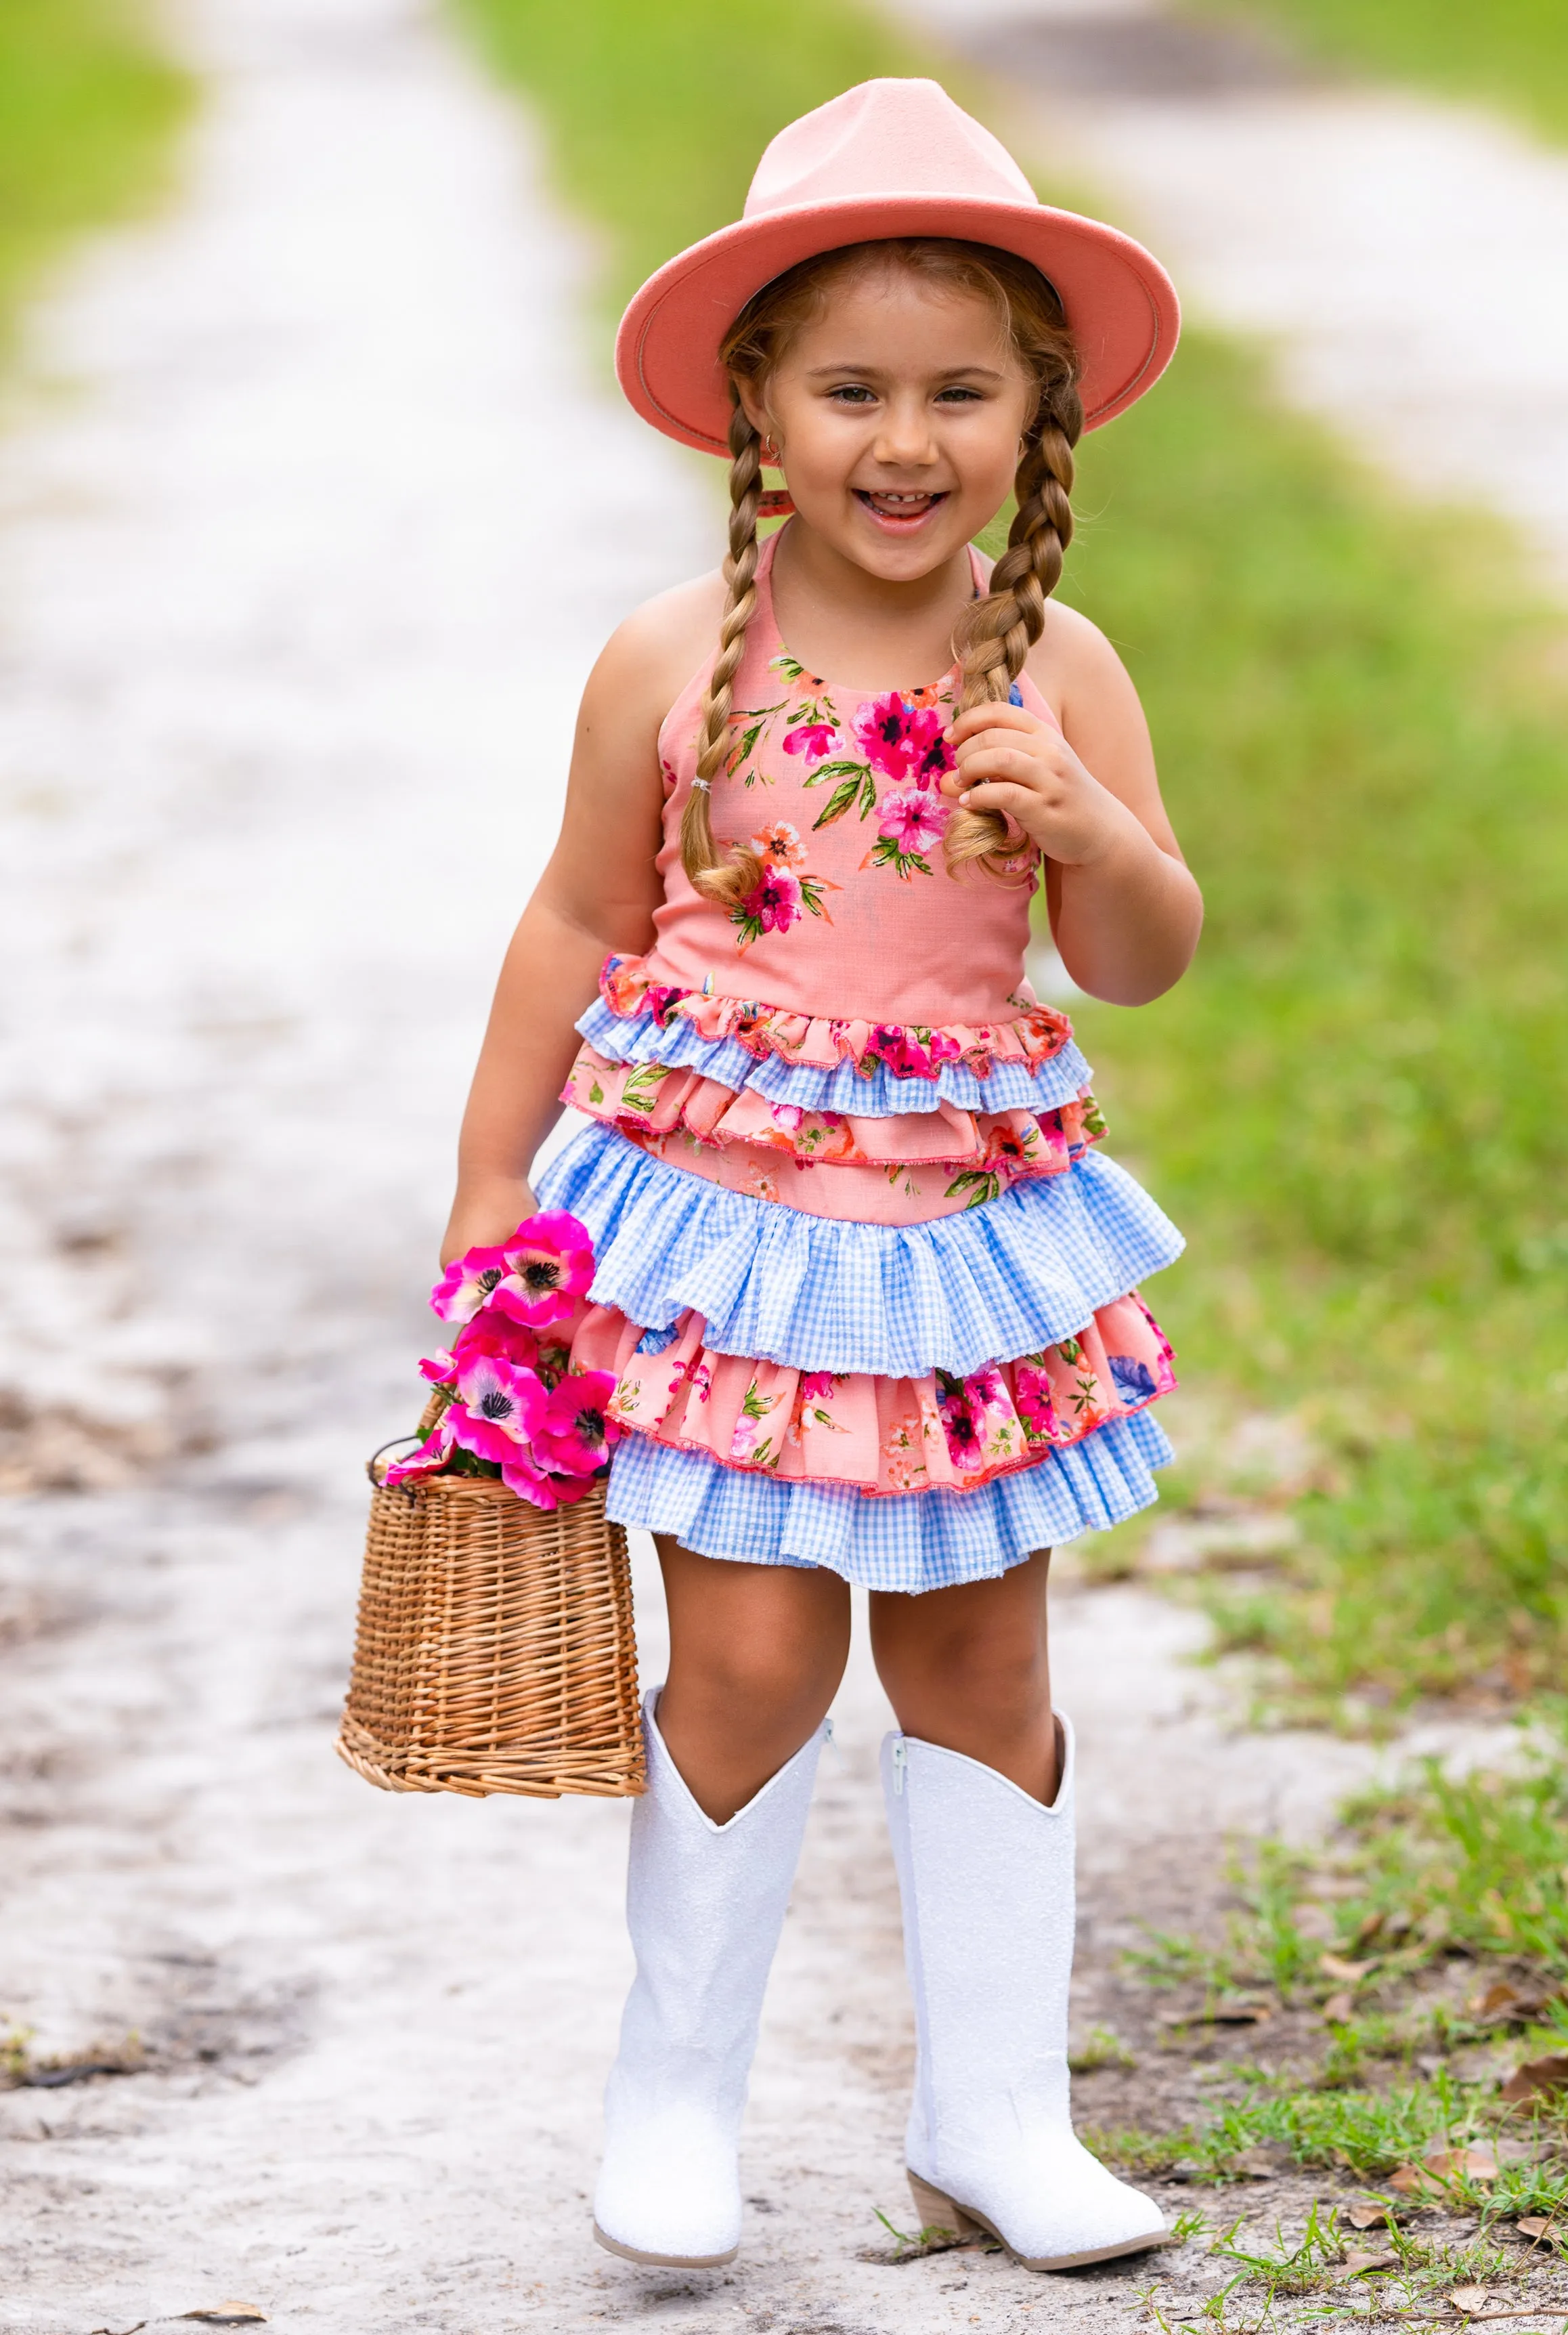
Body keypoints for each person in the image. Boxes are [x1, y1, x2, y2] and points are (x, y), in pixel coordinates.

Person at [440, 77, 1203, 2275]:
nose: (904, 437)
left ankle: (997, 2122)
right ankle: (674, 2099)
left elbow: (1142, 963)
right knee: (756, 1653)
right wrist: (497, 1187)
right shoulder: (675, 657)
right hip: (741, 1236)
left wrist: (1092, 830)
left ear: (1037, 413)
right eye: (850, 386)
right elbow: (576, 922)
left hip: (959, 1251)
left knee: (982, 1660)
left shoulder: (1051, 666)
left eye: (960, 390)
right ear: (756, 405)